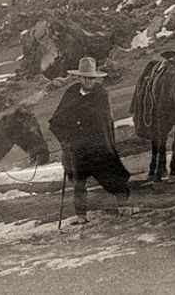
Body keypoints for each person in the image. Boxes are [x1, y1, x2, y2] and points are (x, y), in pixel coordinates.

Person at [48, 56, 131, 224]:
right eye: (85, 78)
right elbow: (57, 119)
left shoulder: (101, 94)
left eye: (91, 78)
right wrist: (65, 138)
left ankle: (122, 204)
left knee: (110, 176)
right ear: (79, 77)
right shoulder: (71, 92)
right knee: (79, 182)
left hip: (98, 145)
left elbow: (102, 119)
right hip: (77, 147)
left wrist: (79, 120)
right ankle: (81, 214)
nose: (88, 81)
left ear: (96, 78)